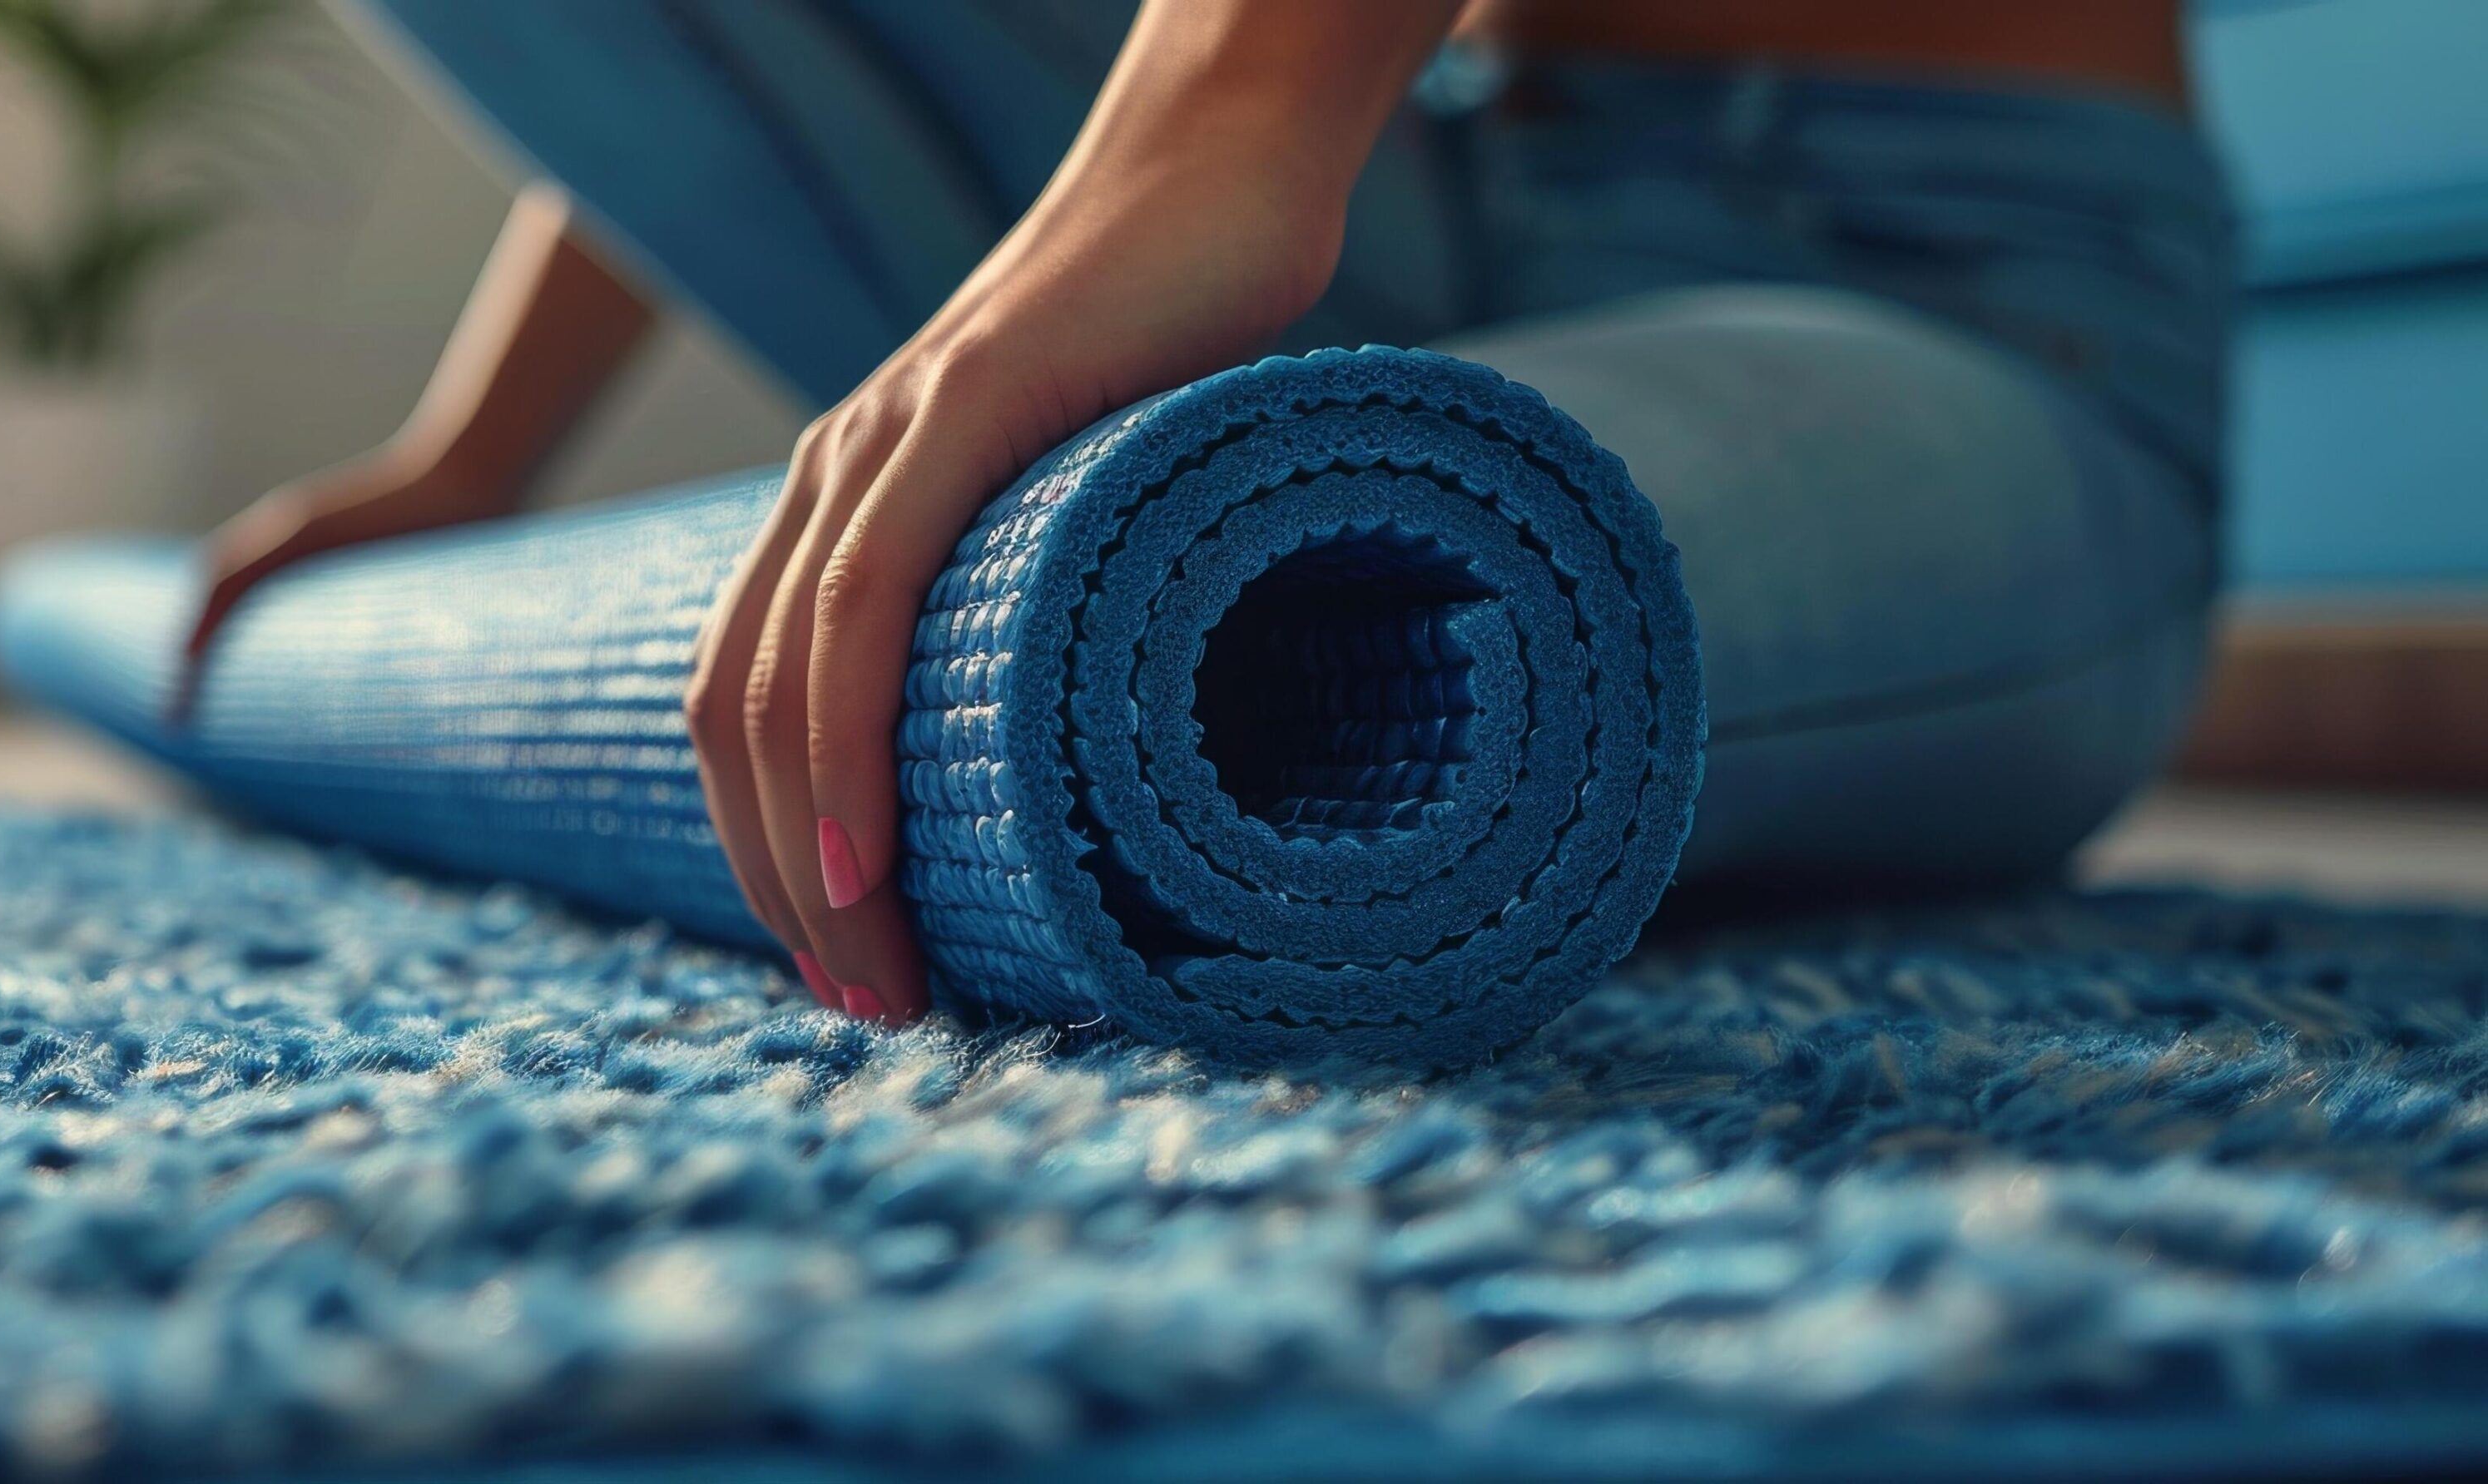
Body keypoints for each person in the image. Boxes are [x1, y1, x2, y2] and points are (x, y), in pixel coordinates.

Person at [180, 0, 2230, 1024]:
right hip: (1452, 182)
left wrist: (1225, 126)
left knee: (1336, 571)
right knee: (1247, 513)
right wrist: (473, 465)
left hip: (1947, 280)